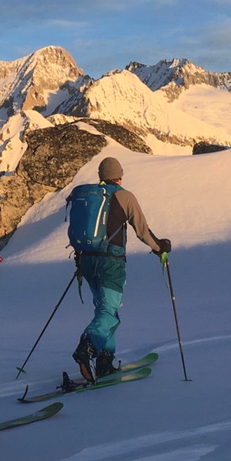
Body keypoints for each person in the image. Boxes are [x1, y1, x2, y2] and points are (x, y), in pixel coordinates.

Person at [73, 156, 171, 382]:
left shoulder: (90, 196)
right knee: (108, 312)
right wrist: (160, 247)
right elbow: (142, 231)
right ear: (119, 175)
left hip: (87, 261)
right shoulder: (124, 196)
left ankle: (105, 361)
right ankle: (87, 348)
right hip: (111, 263)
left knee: (107, 311)